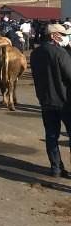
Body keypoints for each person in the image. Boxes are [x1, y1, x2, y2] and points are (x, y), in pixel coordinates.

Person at [29, 23, 71, 177]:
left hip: (46, 99)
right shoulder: (60, 53)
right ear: (53, 36)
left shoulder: (35, 53)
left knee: (51, 135)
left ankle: (56, 167)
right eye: (62, 35)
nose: (64, 38)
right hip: (65, 101)